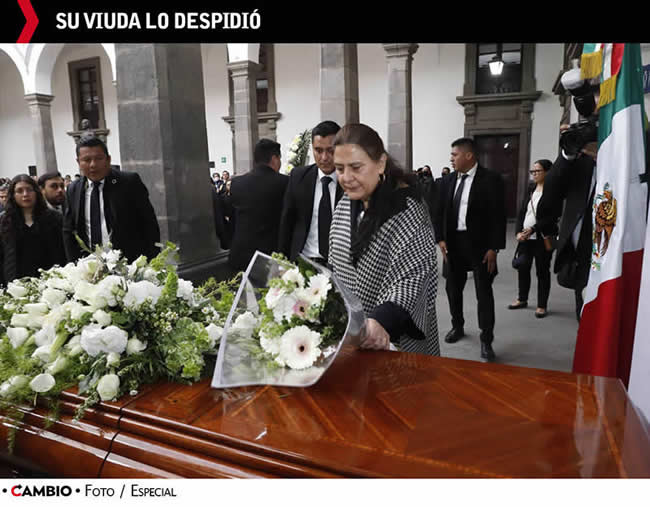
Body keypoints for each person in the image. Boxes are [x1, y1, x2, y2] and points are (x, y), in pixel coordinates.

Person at [329, 123, 439, 355]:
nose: (346, 178)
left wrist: (381, 320)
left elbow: (411, 277)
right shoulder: (344, 203)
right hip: (351, 335)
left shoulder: (408, 209)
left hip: (393, 338)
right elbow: (335, 264)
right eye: (339, 169)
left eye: (356, 167)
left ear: (380, 163)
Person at [433, 137, 506, 361]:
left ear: (468, 156)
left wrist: (494, 247)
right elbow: (438, 211)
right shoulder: (446, 182)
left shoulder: (491, 180)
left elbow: (498, 216)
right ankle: (458, 326)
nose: (451, 159)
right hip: (452, 245)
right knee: (453, 290)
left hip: (480, 246)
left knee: (484, 294)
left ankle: (486, 340)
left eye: (454, 155)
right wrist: (441, 239)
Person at [63, 136, 160, 263]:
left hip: (128, 264)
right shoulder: (73, 189)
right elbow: (68, 230)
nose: (93, 165)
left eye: (98, 159)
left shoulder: (129, 183)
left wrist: (151, 262)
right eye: (86, 160)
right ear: (78, 162)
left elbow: (149, 224)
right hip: (89, 267)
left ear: (108, 159)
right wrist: (74, 264)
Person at [536, 129, 597, 321]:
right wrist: (567, 155)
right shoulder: (580, 164)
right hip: (584, 252)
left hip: (619, 247)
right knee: (585, 311)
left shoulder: (626, 159)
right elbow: (552, 190)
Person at [278, 120, 343, 265]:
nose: (324, 157)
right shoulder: (299, 177)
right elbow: (287, 221)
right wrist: (282, 262)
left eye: (330, 150)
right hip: (305, 260)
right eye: (318, 150)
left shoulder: (350, 180)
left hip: (341, 266)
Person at [228, 139, 288, 272]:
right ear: (274, 158)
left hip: (240, 255)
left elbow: (234, 219)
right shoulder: (284, 182)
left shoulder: (237, 183)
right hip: (269, 258)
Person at [508, 159, 555, 318]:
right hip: (526, 238)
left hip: (542, 238)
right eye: (532, 171)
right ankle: (522, 299)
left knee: (542, 271)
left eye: (537, 171)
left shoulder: (553, 191)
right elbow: (522, 212)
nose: (534, 174)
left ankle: (542, 305)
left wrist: (533, 229)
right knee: (523, 267)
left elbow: (553, 217)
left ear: (547, 172)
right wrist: (518, 232)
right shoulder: (531, 188)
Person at [0, 174, 66, 285]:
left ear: (36, 192)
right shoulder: (4, 221)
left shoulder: (54, 218)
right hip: (16, 283)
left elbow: (62, 252)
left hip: (50, 281)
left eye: (29, 190)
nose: (25, 194)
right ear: (13, 195)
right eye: (20, 191)